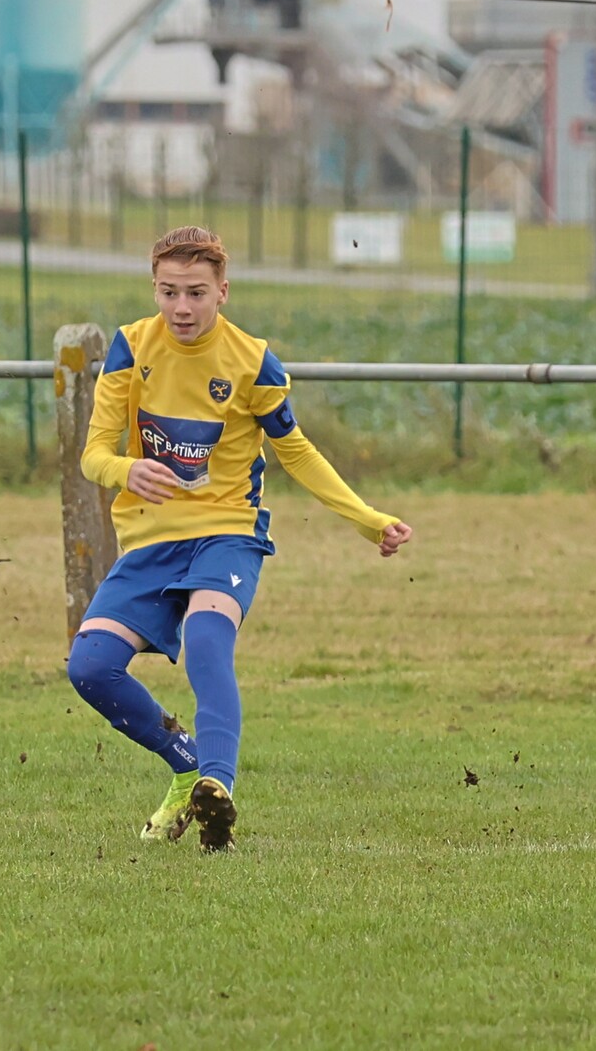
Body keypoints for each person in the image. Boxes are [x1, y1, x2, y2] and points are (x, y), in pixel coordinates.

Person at [66, 226, 413, 852]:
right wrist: (125, 469)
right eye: (169, 292)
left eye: (196, 293)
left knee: (207, 641)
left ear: (222, 291)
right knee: (89, 667)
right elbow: (93, 454)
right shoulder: (130, 348)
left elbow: (297, 452)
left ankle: (216, 788)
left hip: (227, 533)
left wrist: (368, 519)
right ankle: (187, 763)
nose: (181, 307)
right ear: (154, 289)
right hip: (149, 542)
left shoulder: (253, 362)